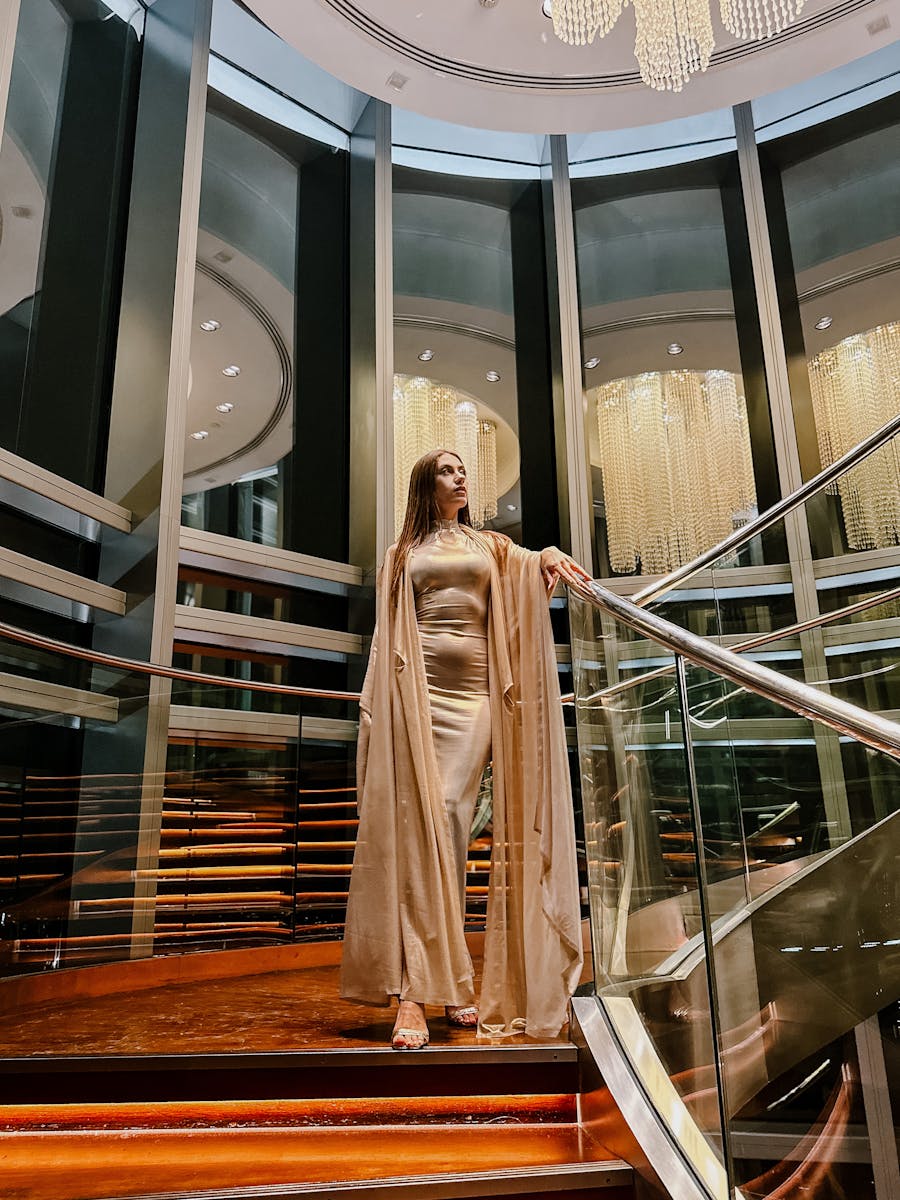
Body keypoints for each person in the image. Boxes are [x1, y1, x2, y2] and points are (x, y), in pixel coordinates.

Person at [340, 449, 591, 1049]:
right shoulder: (401, 555)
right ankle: (416, 995)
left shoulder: (491, 547)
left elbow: (530, 569)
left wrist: (549, 554)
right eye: (449, 469)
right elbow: (385, 634)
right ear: (427, 483)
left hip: (477, 696)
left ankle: (441, 978)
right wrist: (377, 706)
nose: (462, 476)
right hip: (417, 695)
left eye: (462, 470)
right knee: (419, 836)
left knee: (449, 827)